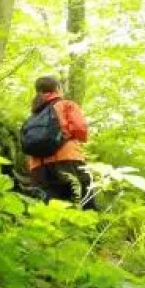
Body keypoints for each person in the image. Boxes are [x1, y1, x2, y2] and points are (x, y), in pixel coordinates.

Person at [24, 75, 94, 209]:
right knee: (84, 204)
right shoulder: (67, 105)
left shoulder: (33, 115)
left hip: (38, 167)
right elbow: (81, 130)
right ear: (58, 88)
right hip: (68, 160)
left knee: (48, 208)